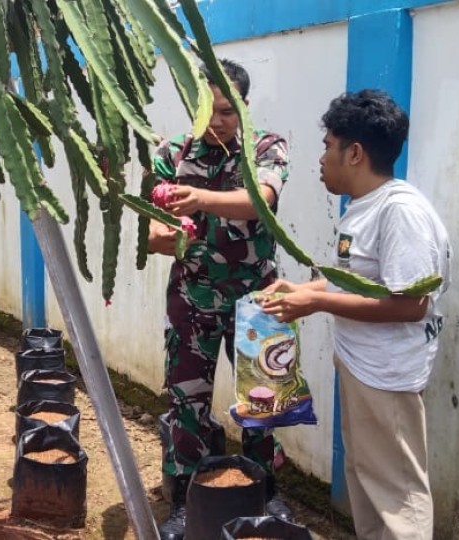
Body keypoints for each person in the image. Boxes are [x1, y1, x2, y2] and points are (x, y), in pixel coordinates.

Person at [260, 89, 452, 540]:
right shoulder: (365, 209)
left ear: (356, 152)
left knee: (397, 498)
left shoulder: (399, 212)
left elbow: (410, 304)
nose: (322, 158)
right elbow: (358, 281)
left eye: (328, 145)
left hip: (387, 376)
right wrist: (305, 289)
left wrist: (317, 302)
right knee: (369, 482)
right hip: (363, 369)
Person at [147, 59, 292, 540]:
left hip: (259, 299)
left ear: (245, 109)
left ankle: (265, 492)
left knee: (264, 402)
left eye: (228, 111)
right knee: (186, 401)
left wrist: (199, 200)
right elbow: (151, 230)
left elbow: (261, 199)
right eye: (207, 109)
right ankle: (186, 500)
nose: (217, 121)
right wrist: (168, 236)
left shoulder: (266, 147)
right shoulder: (171, 152)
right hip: (193, 298)